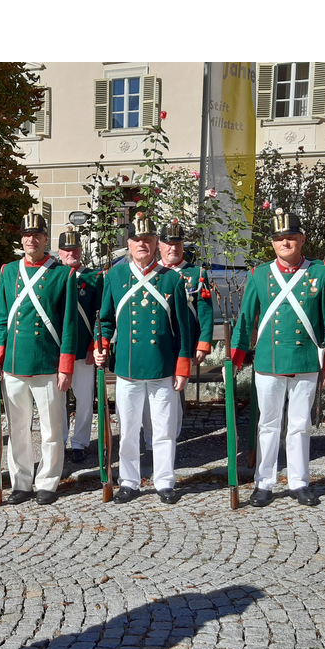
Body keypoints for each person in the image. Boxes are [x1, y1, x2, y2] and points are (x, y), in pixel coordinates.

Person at [231, 208, 325, 507]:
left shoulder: (322, 273)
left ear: (302, 239)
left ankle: (299, 481)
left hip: (305, 359)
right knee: (268, 425)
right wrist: (235, 359)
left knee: (300, 425)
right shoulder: (258, 275)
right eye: (279, 239)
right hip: (269, 361)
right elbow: (245, 321)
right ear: (272, 243)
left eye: (290, 238)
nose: (285, 243)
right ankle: (263, 483)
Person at [94, 212, 191, 504]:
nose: (142, 244)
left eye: (148, 239)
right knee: (128, 431)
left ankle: (164, 482)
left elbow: (183, 329)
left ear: (156, 243)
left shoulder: (172, 279)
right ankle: (129, 481)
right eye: (137, 239)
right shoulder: (115, 275)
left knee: (162, 431)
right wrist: (101, 344)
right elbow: (106, 319)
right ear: (129, 242)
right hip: (128, 368)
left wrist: (182, 366)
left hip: (162, 366)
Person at [0, 212, 77, 505]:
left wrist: (65, 366)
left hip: (47, 363)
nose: (32, 240)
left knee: (51, 429)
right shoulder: (8, 271)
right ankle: (21, 481)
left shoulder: (62, 273)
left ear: (45, 239)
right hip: (16, 363)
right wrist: (0, 356)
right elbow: (3, 317)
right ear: (22, 240)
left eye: (38, 235)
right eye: (27, 235)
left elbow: (69, 324)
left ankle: (48, 481)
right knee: (17, 428)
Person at [57, 226, 103, 464]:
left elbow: (100, 316)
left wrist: (94, 346)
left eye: (75, 249)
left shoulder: (93, 278)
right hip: (57, 352)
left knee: (84, 399)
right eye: (66, 250)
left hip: (83, 349)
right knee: (58, 400)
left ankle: (80, 443)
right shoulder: (53, 277)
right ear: (59, 252)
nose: (71, 253)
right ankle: (59, 440)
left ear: (81, 251)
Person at [157, 220, 214, 365]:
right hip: (158, 342)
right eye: (169, 244)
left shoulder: (196, 273)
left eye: (177, 244)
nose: (173, 248)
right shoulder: (152, 273)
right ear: (160, 246)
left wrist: (203, 343)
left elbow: (205, 312)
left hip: (186, 341)